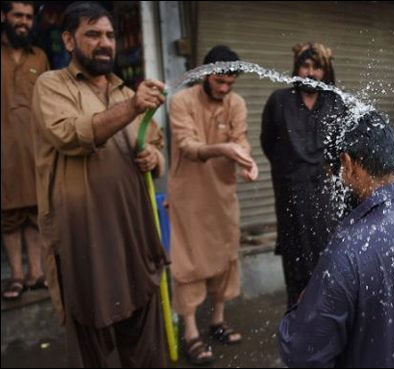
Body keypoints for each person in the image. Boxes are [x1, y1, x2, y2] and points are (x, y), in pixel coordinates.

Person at [31, 2, 168, 366]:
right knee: (92, 338)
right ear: (69, 40)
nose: (105, 43)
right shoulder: (51, 85)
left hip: (133, 234)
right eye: (92, 34)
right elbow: (69, 135)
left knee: (144, 342)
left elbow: (155, 145)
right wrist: (133, 108)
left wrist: (155, 160)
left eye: (109, 35)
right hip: (83, 237)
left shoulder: (126, 93)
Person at [279, 111, 394, 368]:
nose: (338, 183)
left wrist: (303, 308)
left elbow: (303, 354)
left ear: (348, 164)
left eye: (336, 173)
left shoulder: (350, 248)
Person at [168, 45, 258, 365]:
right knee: (188, 263)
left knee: (225, 255)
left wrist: (247, 161)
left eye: (229, 84)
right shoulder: (181, 101)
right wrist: (225, 149)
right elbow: (188, 146)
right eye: (219, 82)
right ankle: (191, 333)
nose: (223, 89)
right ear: (206, 75)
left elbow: (242, 139)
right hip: (188, 196)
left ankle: (217, 321)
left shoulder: (236, 103)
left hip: (222, 195)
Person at [261, 42, 345, 308]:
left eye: (317, 67)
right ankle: (297, 322)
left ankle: (326, 319)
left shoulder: (335, 102)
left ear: (326, 71)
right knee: (296, 262)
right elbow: (268, 144)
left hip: (324, 195)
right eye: (305, 66)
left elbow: (341, 148)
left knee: (327, 258)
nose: (310, 73)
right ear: (296, 68)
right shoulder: (279, 101)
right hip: (291, 195)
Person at [1, 0, 49, 300]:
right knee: (8, 215)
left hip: (35, 149)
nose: (24, 22)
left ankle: (37, 273)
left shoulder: (40, 57)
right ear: (3, 15)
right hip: (3, 151)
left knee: (34, 211)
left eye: (29, 17)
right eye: (18, 15)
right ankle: (16, 276)